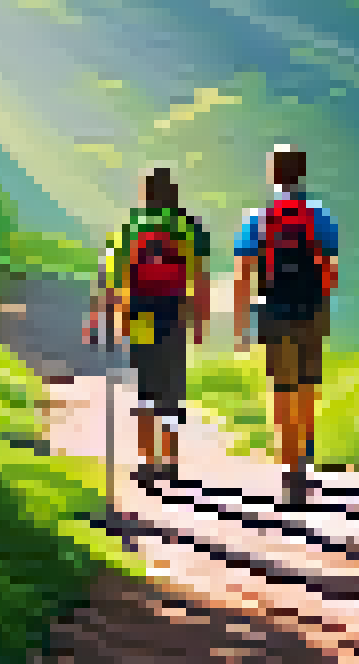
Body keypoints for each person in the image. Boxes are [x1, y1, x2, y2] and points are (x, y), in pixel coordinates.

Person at [233, 143, 340, 508]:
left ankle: (289, 470)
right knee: (308, 384)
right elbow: (331, 271)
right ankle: (304, 462)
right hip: (311, 309)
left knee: (282, 388)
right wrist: (320, 302)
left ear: (273, 174)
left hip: (272, 310)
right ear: (302, 173)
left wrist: (241, 324)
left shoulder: (258, 218)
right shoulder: (319, 215)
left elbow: (243, 274)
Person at [99, 166, 211, 487]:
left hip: (141, 315)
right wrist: (199, 321)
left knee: (146, 386)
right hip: (175, 313)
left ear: (144, 194)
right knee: (173, 388)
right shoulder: (188, 227)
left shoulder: (130, 228)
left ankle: (148, 462)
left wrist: (118, 319)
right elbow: (198, 280)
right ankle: (171, 462)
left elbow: (116, 282)